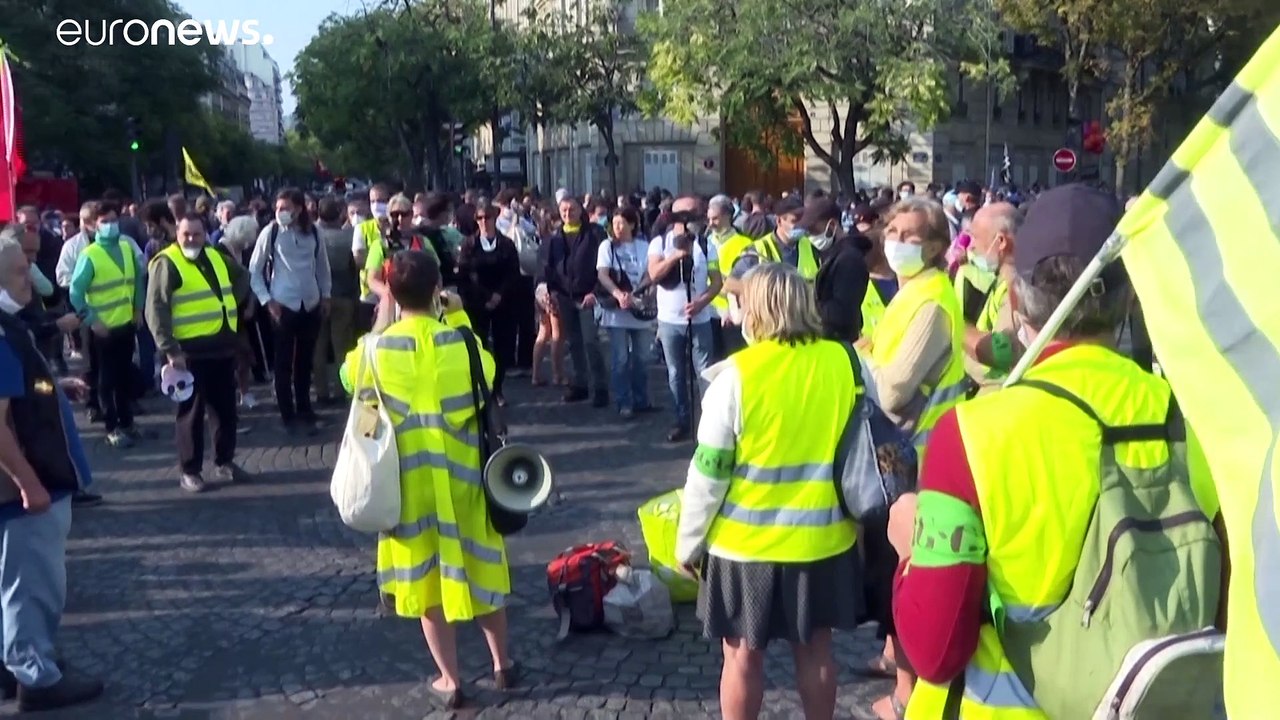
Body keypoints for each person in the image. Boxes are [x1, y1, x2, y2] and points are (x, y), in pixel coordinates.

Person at [889, 184, 1228, 719]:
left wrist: (909, 548)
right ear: (1128, 299)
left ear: (1018, 299)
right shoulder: (1197, 418)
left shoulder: (973, 433)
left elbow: (935, 648)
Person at [676, 262, 859, 720]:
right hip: (824, 540)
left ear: (755, 311)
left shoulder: (735, 377)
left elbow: (708, 475)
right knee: (816, 654)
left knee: (740, 659)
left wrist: (687, 543)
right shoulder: (845, 361)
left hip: (745, 547)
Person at [340, 250, 517, 710]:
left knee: (426, 584)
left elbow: (348, 379)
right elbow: (488, 372)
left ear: (393, 294)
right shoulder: (461, 342)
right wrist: (456, 312)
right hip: (466, 481)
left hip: (409, 486)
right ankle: (502, 665)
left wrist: (380, 320)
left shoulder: (375, 351)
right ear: (438, 288)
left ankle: (449, 679)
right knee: (481, 566)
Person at [0, 232, 104, 712]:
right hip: (26, 486)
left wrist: (51, 385)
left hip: (25, 481)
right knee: (30, 586)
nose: (31, 281)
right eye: (21, 271)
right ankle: (35, 677)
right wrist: (28, 482)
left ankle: (14, 665)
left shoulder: (9, 325)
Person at [146, 217, 252, 494]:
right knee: (190, 415)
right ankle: (190, 471)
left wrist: (228, 303)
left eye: (197, 234)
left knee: (225, 409)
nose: (191, 239)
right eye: (186, 234)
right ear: (176, 235)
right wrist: (170, 350)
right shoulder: (166, 262)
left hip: (220, 347)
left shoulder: (215, 256)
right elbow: (155, 309)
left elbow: (242, 277)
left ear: (205, 234)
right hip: (187, 353)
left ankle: (225, 461)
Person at [860, 197, 968, 462]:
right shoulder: (914, 292)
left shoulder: (931, 302)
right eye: (892, 232)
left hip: (920, 456)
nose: (897, 242)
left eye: (909, 237)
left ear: (934, 248)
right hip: (906, 451)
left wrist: (863, 358)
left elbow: (891, 394)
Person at [248, 188, 333, 436]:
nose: (281, 212)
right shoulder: (271, 232)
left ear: (299, 208)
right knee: (282, 363)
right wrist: (267, 301)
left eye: (286, 208)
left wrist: (325, 295)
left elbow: (322, 268)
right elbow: (254, 271)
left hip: (310, 302)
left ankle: (305, 409)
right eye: (278, 208)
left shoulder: (314, 232)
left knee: (305, 361)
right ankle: (288, 414)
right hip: (282, 305)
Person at [68, 202, 146, 449]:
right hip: (103, 330)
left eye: (114, 220)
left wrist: (138, 309)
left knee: (123, 378)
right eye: (104, 222)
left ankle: (127, 423)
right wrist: (92, 320)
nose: (111, 225)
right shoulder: (89, 255)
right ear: (93, 225)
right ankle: (111, 428)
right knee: (106, 381)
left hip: (126, 324)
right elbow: (76, 293)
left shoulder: (126, 247)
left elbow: (136, 283)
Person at [543, 196, 610, 406]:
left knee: (591, 342)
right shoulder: (555, 236)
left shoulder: (595, 233)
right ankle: (580, 384)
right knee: (574, 343)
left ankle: (601, 388)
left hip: (588, 296)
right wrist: (547, 288)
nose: (567, 213)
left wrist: (596, 292)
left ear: (581, 210)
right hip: (564, 296)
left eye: (571, 209)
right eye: (563, 210)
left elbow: (605, 265)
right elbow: (546, 265)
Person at [457, 204, 521, 405]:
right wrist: (485, 297)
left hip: (505, 302)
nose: (484, 222)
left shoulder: (507, 244)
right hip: (477, 303)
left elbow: (513, 273)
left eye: (488, 217)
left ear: (495, 218)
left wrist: (498, 295)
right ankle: (482, 388)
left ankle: (498, 388)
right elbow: (464, 274)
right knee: (479, 345)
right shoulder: (468, 245)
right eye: (480, 218)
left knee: (503, 347)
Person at [595, 206, 655, 418]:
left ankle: (641, 399)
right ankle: (624, 401)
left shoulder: (643, 246)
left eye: (622, 223)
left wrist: (637, 293)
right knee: (620, 358)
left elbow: (650, 273)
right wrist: (619, 294)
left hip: (638, 308)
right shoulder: (607, 246)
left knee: (641, 357)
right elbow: (603, 274)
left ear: (632, 224)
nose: (617, 228)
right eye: (614, 223)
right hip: (616, 311)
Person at [803, 197, 871, 343]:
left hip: (840, 339)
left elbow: (842, 311)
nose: (811, 236)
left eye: (813, 230)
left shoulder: (849, 259)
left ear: (832, 225)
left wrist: (803, 303)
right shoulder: (835, 252)